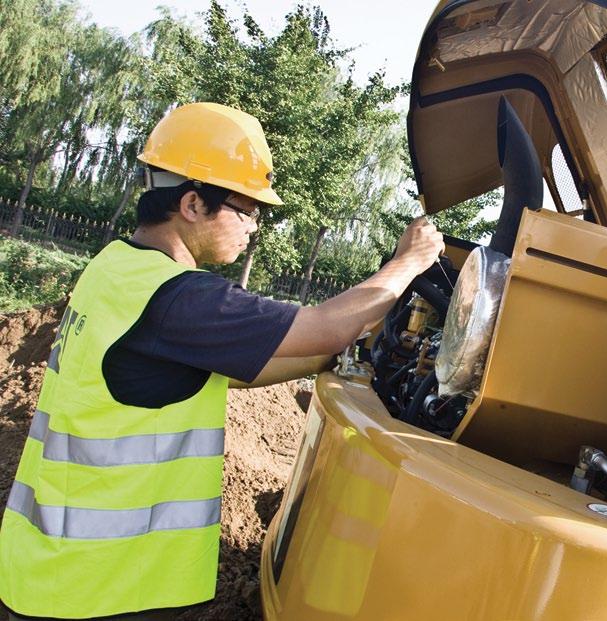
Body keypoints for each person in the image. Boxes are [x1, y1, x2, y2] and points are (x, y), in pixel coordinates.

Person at [0, 102, 444, 620]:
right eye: (247, 209)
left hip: (49, 569)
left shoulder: (116, 269)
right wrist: (407, 262)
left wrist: (322, 360)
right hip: (98, 589)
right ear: (192, 204)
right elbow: (328, 324)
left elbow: (224, 371)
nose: (254, 227)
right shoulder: (181, 299)